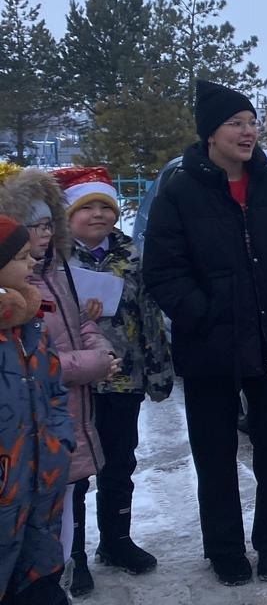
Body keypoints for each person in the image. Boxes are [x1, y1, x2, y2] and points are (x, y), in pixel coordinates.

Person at [142, 80, 267, 586]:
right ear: (210, 134)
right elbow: (163, 271)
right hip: (210, 347)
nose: (248, 131)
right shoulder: (180, 191)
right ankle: (224, 550)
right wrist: (207, 313)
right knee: (215, 456)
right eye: (236, 123)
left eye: (252, 122)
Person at [0, 168, 119, 598]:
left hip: (63, 423)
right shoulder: (17, 294)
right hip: (34, 433)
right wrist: (92, 363)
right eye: (35, 226)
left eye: (50, 223)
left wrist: (102, 348)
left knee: (69, 500)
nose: (45, 235)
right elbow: (37, 360)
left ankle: (66, 568)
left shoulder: (56, 272)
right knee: (42, 517)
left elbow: (80, 324)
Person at [53, 166, 173, 579]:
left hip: (125, 377)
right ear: (68, 217)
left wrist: (158, 372)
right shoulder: (54, 259)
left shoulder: (130, 253)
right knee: (78, 471)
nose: (100, 215)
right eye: (89, 208)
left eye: (107, 206)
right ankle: (75, 555)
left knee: (119, 462)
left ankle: (116, 541)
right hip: (75, 384)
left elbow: (150, 316)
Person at [0, 216, 74, 605]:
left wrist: (59, 443)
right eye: (22, 256)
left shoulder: (31, 326)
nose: (32, 264)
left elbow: (55, 392)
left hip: (40, 495)